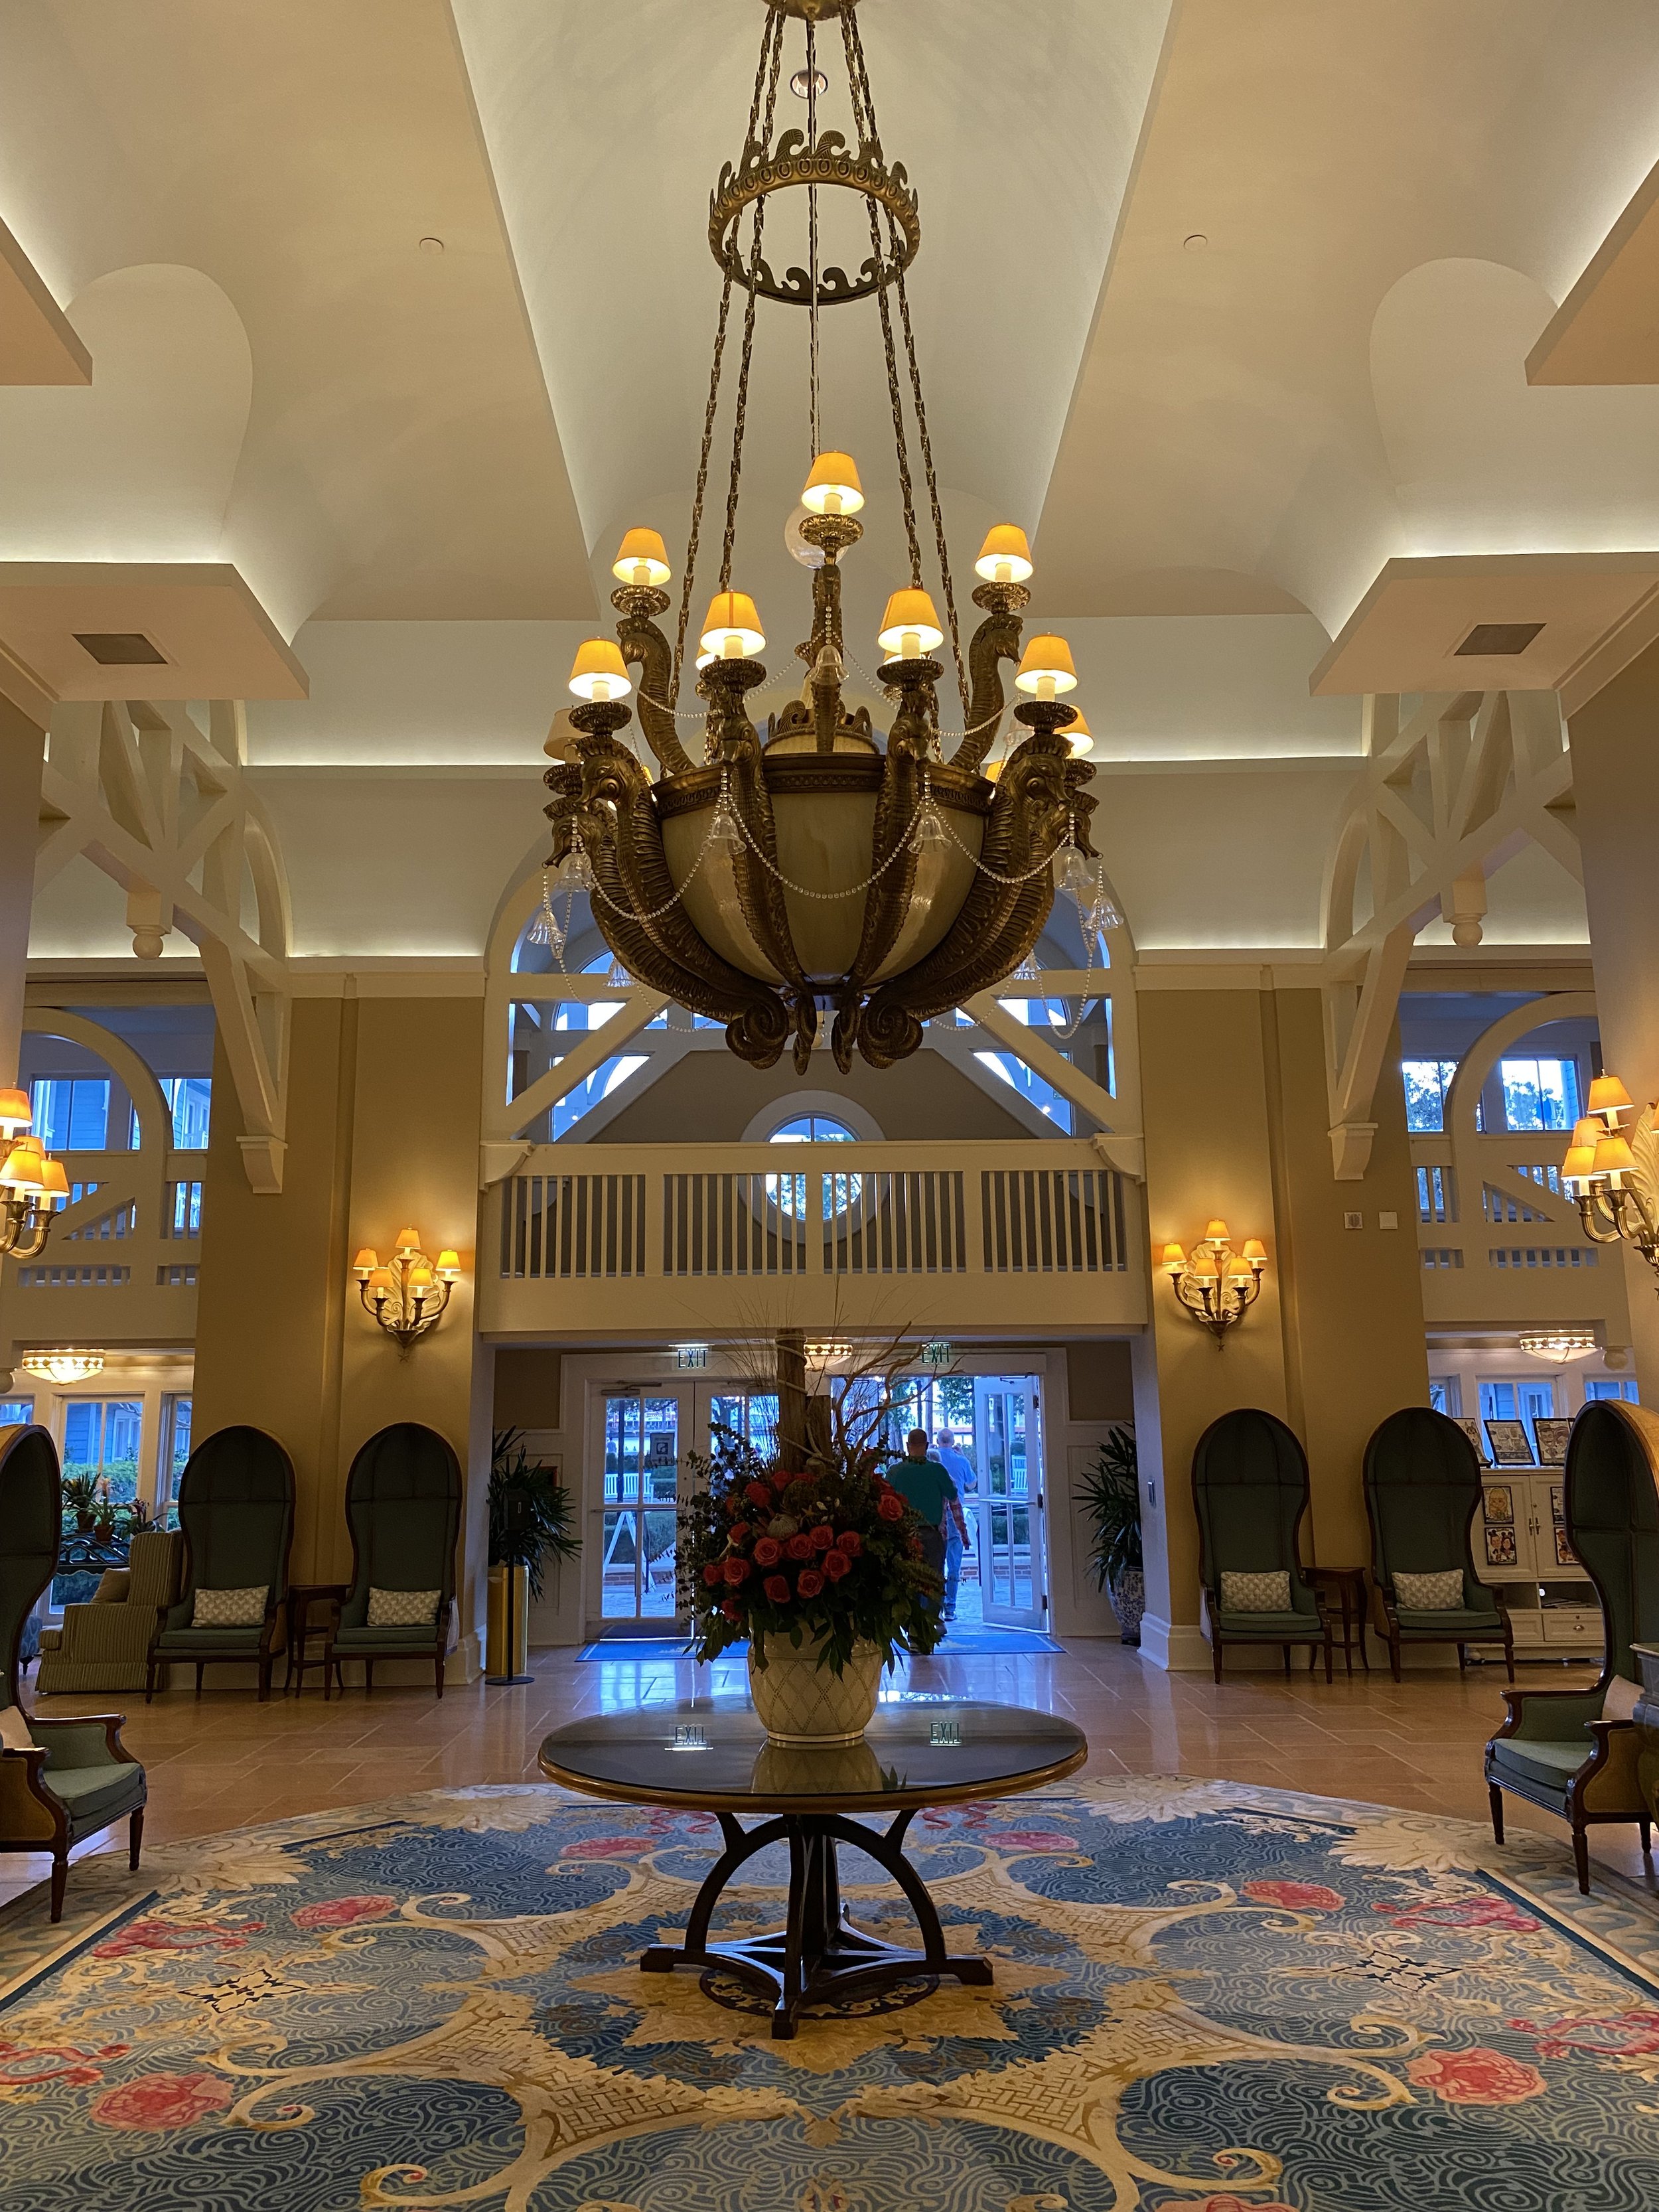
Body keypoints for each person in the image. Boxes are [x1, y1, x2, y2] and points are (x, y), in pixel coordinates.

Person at [885, 1428, 968, 1599]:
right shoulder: (937, 1471)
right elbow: (954, 1501)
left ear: (908, 1446)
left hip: (903, 1535)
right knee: (934, 1581)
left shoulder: (895, 1472)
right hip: (933, 1534)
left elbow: (884, 1502)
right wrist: (963, 1533)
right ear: (928, 1445)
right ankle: (933, 1621)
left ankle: (912, 1622)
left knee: (907, 1581)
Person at [934, 1429, 977, 1622]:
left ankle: (936, 1608)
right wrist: (963, 1457)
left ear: (937, 1441)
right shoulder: (961, 1461)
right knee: (953, 1565)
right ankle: (950, 1608)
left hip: (935, 1515)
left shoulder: (931, 1459)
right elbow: (972, 1484)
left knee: (934, 1562)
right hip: (955, 1515)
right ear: (952, 1442)